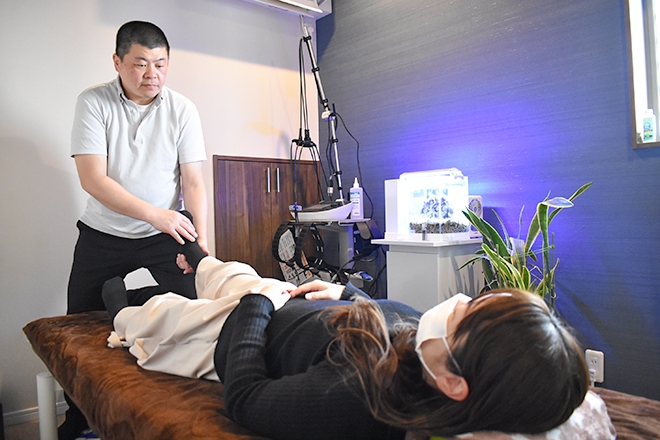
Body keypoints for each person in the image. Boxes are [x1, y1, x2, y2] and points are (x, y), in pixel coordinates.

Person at [102, 238, 590, 440]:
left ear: (455, 384)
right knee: (226, 269)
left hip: (233, 333)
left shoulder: (360, 396)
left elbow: (246, 399)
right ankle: (196, 260)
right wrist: (348, 293)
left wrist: (257, 306)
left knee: (144, 319)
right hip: (289, 302)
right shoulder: (431, 351)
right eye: (476, 300)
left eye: (467, 315)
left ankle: (123, 298)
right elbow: (392, 319)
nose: (459, 302)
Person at [62, 20, 208, 440]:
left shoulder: (182, 109)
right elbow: (93, 179)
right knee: (79, 327)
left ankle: (182, 408)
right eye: (141, 64)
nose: (152, 75)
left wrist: (199, 246)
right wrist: (156, 215)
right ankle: (79, 420)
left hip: (165, 234)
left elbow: (194, 182)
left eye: (160, 64)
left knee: (197, 312)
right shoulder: (93, 102)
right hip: (103, 234)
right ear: (117, 62)